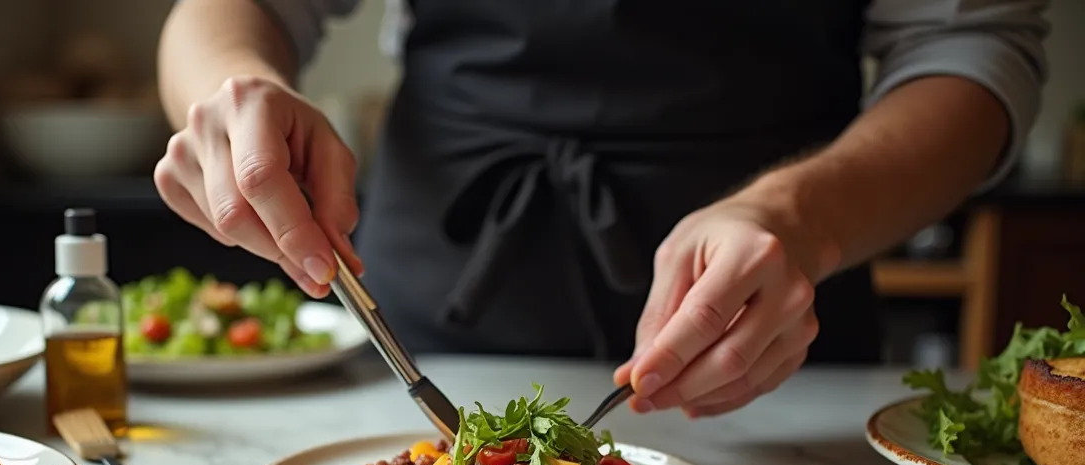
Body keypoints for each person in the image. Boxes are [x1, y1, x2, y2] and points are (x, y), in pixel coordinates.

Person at [153, 0, 1048, 417]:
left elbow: (972, 49)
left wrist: (798, 219)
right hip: (436, 297)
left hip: (777, 320)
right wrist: (237, 95)